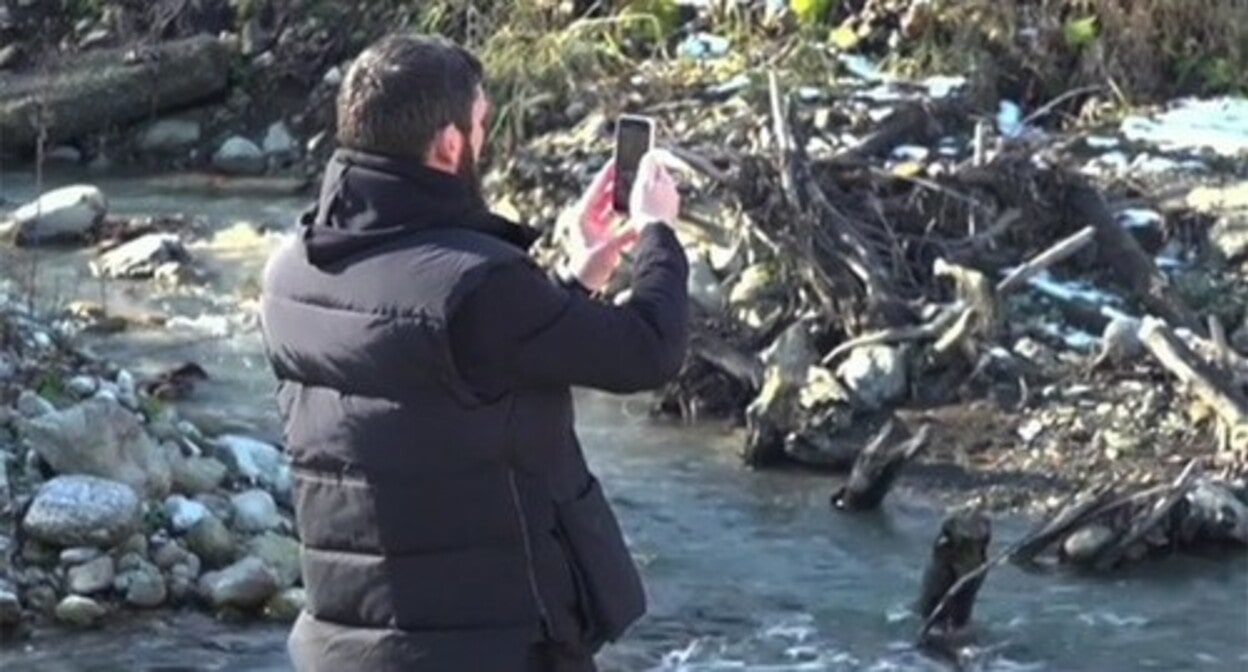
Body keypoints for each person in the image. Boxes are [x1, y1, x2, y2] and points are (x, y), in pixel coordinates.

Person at [257, 33, 690, 672]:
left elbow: (443, 368)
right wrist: (658, 232)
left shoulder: (289, 272)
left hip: (343, 648)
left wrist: (573, 280)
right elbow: (649, 351)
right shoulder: (480, 285)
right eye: (481, 122)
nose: (483, 138)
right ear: (449, 144)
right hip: (495, 646)